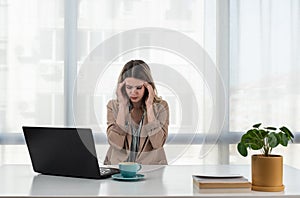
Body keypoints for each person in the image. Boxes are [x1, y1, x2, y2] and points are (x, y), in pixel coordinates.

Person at [104, 60, 169, 165]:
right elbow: (115, 144)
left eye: (139, 87)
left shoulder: (161, 107)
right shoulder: (113, 106)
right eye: (129, 87)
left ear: (148, 87)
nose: (133, 92)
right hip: (119, 169)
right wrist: (122, 106)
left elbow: (158, 143)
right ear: (122, 86)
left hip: (151, 169)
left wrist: (149, 106)